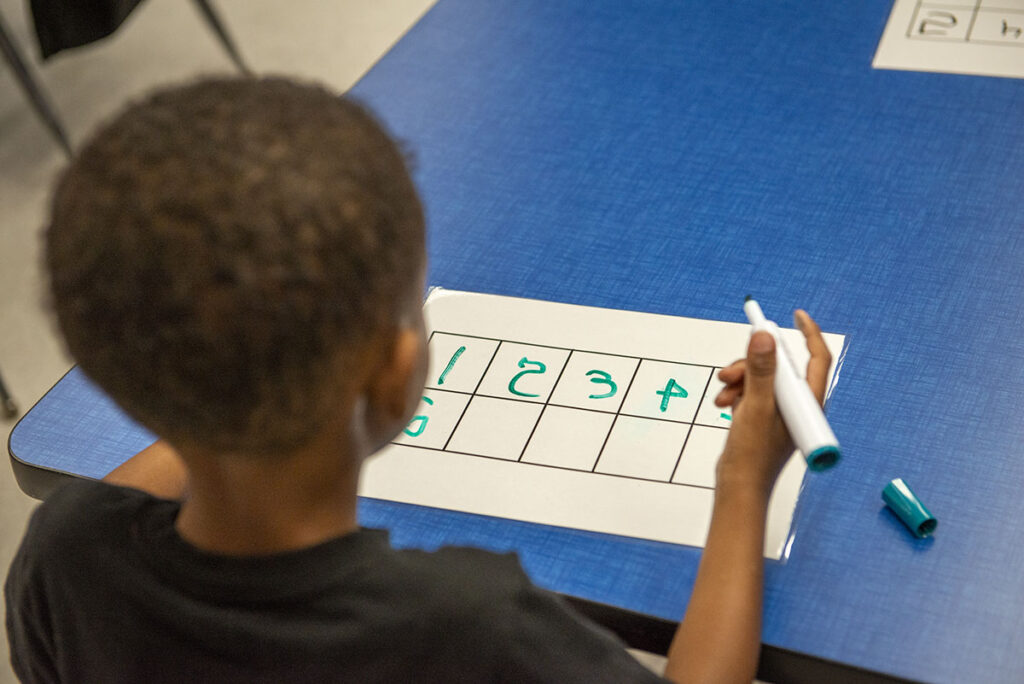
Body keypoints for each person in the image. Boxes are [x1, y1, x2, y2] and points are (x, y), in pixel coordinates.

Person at [5, 77, 831, 683]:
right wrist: (744, 481)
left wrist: (229, 374)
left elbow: (188, 411)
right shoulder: (474, 634)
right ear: (398, 373)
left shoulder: (61, 553)